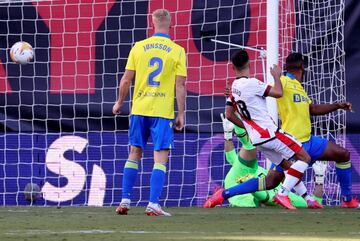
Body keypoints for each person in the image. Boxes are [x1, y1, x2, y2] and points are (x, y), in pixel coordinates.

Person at [204, 49, 313, 210]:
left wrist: (247, 128)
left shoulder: (233, 87)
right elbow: (278, 92)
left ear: (232, 67)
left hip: (257, 139)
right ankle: (282, 195)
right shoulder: (253, 83)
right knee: (304, 158)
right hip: (270, 134)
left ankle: (223, 194)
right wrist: (276, 75)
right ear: (249, 63)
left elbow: (229, 114)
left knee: (279, 174)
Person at [112, 9, 187, 216]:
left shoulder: (139, 47)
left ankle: (125, 200)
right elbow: (180, 85)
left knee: (134, 153)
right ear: (170, 23)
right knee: (160, 158)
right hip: (162, 112)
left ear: (152, 23)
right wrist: (181, 113)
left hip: (139, 109)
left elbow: (126, 79)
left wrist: (119, 102)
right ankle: (153, 203)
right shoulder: (177, 50)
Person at [276, 52, 359, 208]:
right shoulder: (283, 81)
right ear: (302, 66)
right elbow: (266, 91)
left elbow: (312, 109)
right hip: (291, 143)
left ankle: (347, 201)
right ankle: (225, 195)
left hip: (309, 140)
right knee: (270, 181)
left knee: (343, 154)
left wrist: (337, 105)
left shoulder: (298, 86)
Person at [221, 113, 322, 208]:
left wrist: (319, 179)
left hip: (245, 194)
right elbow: (263, 197)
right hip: (244, 198)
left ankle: (223, 194)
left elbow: (316, 203)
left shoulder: (262, 170)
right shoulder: (255, 171)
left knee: (306, 201)